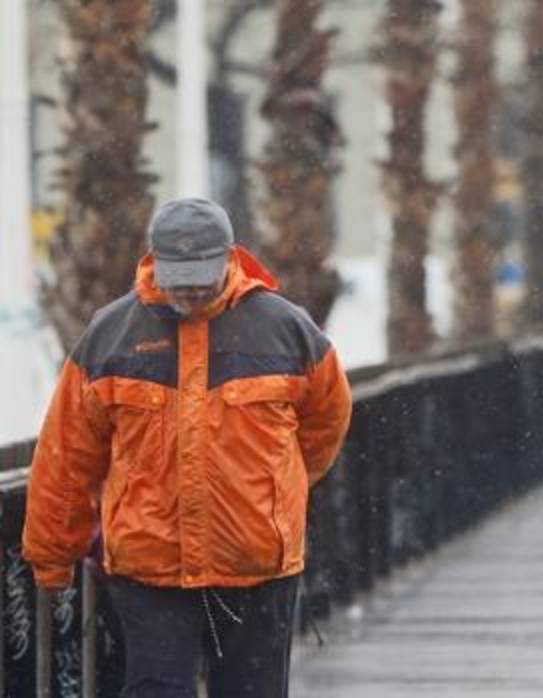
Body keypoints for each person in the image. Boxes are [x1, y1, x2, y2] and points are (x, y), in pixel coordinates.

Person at [22, 198, 353, 697]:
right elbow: (67, 454)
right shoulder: (110, 338)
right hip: (149, 568)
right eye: (179, 276)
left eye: (201, 274)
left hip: (256, 566)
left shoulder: (287, 330)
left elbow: (326, 421)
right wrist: (52, 556)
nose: (191, 290)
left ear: (229, 259)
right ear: (154, 261)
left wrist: (274, 489)